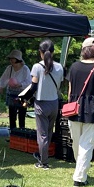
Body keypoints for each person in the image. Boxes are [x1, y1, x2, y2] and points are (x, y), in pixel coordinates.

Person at [65, 37, 94, 187]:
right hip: (92, 109)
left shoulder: (74, 67)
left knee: (76, 143)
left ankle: (80, 172)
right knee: (86, 144)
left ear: (84, 50)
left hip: (74, 108)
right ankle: (79, 177)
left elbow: (70, 90)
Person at [30, 39, 64, 170]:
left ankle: (43, 162)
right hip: (54, 103)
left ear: (40, 52)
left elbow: (33, 86)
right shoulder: (59, 67)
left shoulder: (37, 67)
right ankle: (44, 155)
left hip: (41, 103)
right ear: (53, 52)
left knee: (42, 134)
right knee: (49, 133)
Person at [0, 49, 31, 130]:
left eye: (13, 58)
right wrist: (1, 86)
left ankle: (22, 132)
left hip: (23, 95)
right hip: (11, 94)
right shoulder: (9, 68)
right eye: (10, 59)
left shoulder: (25, 69)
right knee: (12, 115)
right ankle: (13, 133)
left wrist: (20, 85)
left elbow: (29, 82)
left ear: (18, 59)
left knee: (22, 115)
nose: (11, 60)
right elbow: (3, 78)